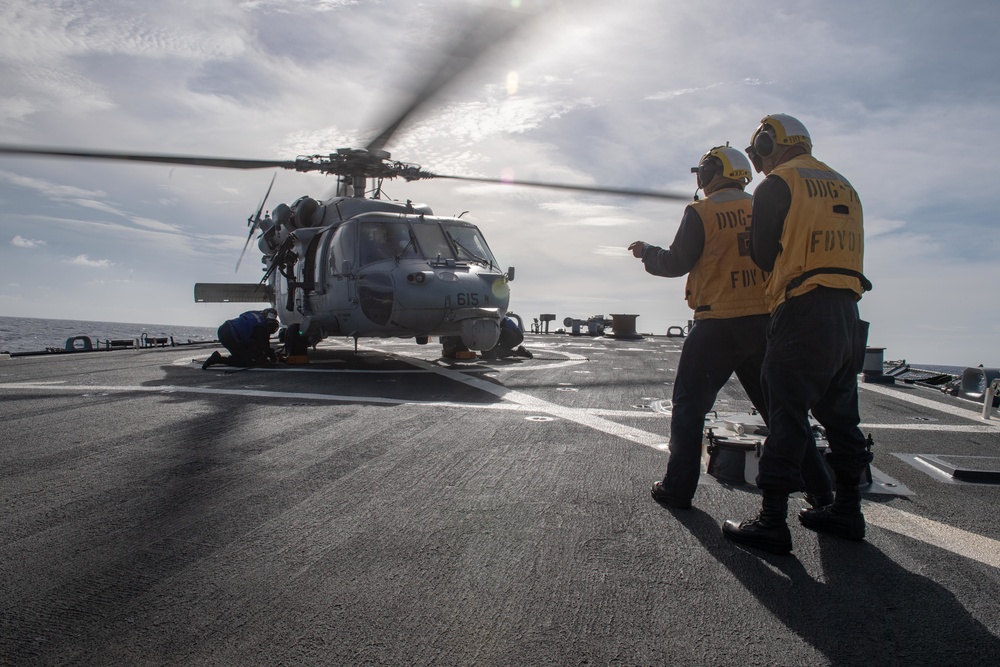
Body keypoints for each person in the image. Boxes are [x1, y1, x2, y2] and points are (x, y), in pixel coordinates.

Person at [629, 145, 833, 510]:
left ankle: (678, 488)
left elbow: (676, 262)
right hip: (767, 322)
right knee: (784, 414)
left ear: (710, 172)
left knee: (689, 408)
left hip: (718, 323)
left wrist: (647, 252)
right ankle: (821, 492)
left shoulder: (702, 211)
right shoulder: (766, 203)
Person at [722, 114, 872, 554]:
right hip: (847, 313)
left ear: (771, 143)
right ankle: (847, 510)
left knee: (786, 415)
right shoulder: (843, 184)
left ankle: (771, 520)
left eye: (759, 150)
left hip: (802, 309)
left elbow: (764, 253)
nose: (758, 161)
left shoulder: (778, 183)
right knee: (843, 420)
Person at [202, 308, 280, 369]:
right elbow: (264, 346)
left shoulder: (255, 315)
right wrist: (273, 357)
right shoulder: (261, 326)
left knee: (250, 349)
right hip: (231, 334)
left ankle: (239, 355)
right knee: (245, 361)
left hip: (225, 328)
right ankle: (217, 359)